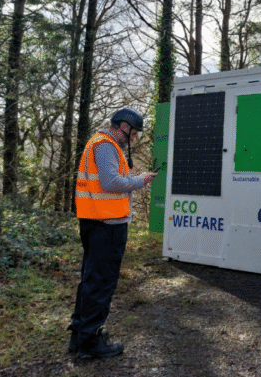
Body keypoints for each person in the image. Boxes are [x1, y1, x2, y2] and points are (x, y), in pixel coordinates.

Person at [67, 108, 158, 359]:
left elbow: (109, 180)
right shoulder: (106, 145)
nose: (135, 138)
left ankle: (79, 333)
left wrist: (134, 178)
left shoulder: (98, 143)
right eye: (135, 132)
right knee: (101, 282)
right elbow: (110, 183)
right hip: (107, 225)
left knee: (90, 279)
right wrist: (139, 181)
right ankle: (89, 341)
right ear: (124, 127)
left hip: (95, 221)